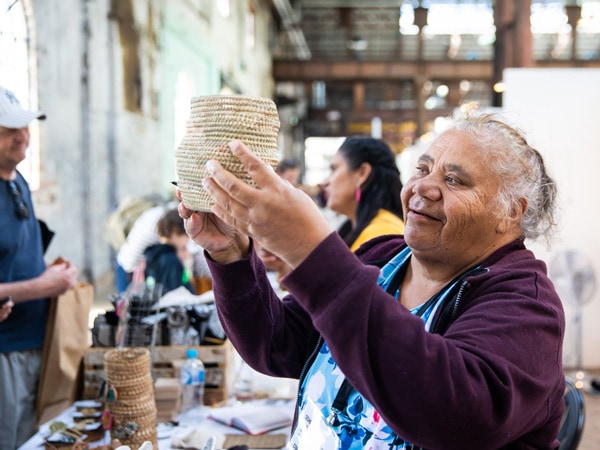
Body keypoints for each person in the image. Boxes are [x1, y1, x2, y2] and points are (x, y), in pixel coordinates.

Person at [178, 109, 565, 449]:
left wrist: (311, 253)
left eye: (455, 181)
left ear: (510, 212)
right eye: (423, 169)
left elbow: (455, 413)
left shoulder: (527, 305)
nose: (423, 188)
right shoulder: (382, 256)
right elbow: (277, 344)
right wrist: (230, 255)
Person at [0, 85, 79, 449]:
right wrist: (45, 285)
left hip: (37, 340)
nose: (23, 136)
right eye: (9, 129)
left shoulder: (20, 184)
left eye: (25, 126)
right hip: (6, 348)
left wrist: (51, 270)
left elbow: (16, 255)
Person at [321, 136, 405, 251]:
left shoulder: (382, 233)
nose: (325, 182)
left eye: (334, 169)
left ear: (362, 173)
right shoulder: (353, 228)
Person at [139, 207, 196, 294]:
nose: (188, 239)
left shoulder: (153, 253)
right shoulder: (170, 260)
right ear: (175, 232)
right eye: (187, 234)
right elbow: (177, 293)